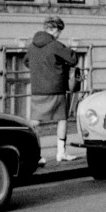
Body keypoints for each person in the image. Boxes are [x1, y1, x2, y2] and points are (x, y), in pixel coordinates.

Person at [27, 15, 79, 163]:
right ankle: (61, 153)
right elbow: (73, 59)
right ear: (55, 29)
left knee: (34, 123)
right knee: (62, 119)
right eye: (59, 32)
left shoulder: (32, 46)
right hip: (56, 88)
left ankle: (35, 155)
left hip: (37, 89)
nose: (59, 35)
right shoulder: (56, 45)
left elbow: (26, 61)